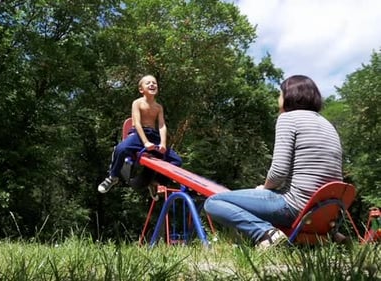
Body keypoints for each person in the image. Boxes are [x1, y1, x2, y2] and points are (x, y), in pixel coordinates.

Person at [204, 75, 343, 249]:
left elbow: (279, 171)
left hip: (296, 205)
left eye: (280, 93)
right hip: (327, 209)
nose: (278, 98)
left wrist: (265, 188)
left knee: (213, 202)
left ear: (290, 95)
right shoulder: (327, 124)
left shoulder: (288, 118)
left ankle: (266, 234)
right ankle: (330, 234)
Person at [98, 75, 182, 199]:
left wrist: (163, 143)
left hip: (154, 136)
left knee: (177, 161)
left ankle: (155, 181)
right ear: (141, 89)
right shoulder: (137, 103)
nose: (152, 84)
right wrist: (145, 142)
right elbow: (137, 123)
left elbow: (162, 125)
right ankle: (113, 177)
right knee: (121, 149)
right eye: (148, 83)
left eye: (154, 83)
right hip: (138, 134)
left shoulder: (158, 107)